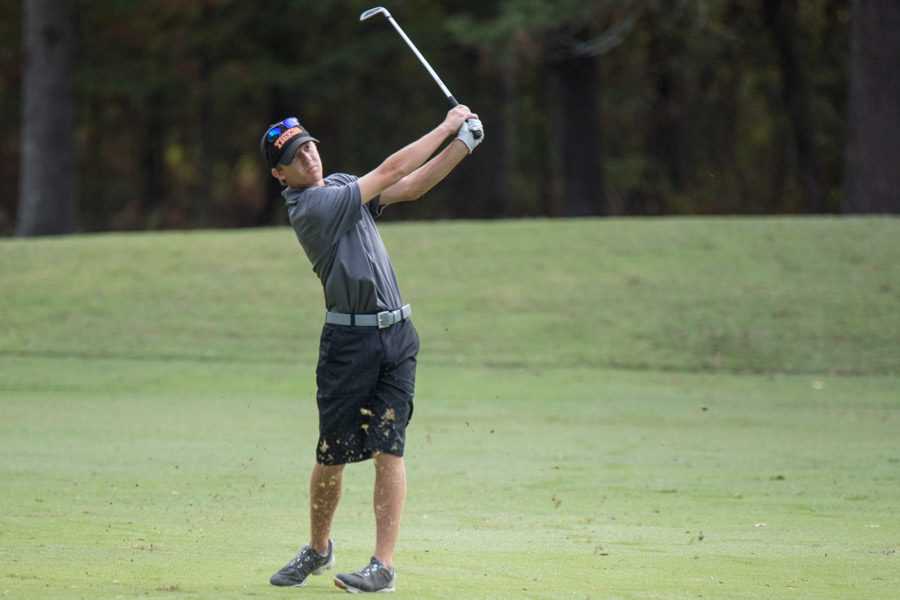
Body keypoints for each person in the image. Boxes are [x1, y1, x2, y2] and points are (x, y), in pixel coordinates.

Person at [259, 105, 484, 593]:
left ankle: (382, 566)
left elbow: (408, 186)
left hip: (397, 336)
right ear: (281, 174)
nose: (309, 158)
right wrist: (446, 127)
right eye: (295, 157)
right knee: (332, 454)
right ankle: (319, 549)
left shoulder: (339, 184)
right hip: (348, 343)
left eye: (309, 146)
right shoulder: (310, 208)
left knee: (389, 447)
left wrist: (463, 146)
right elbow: (390, 170)